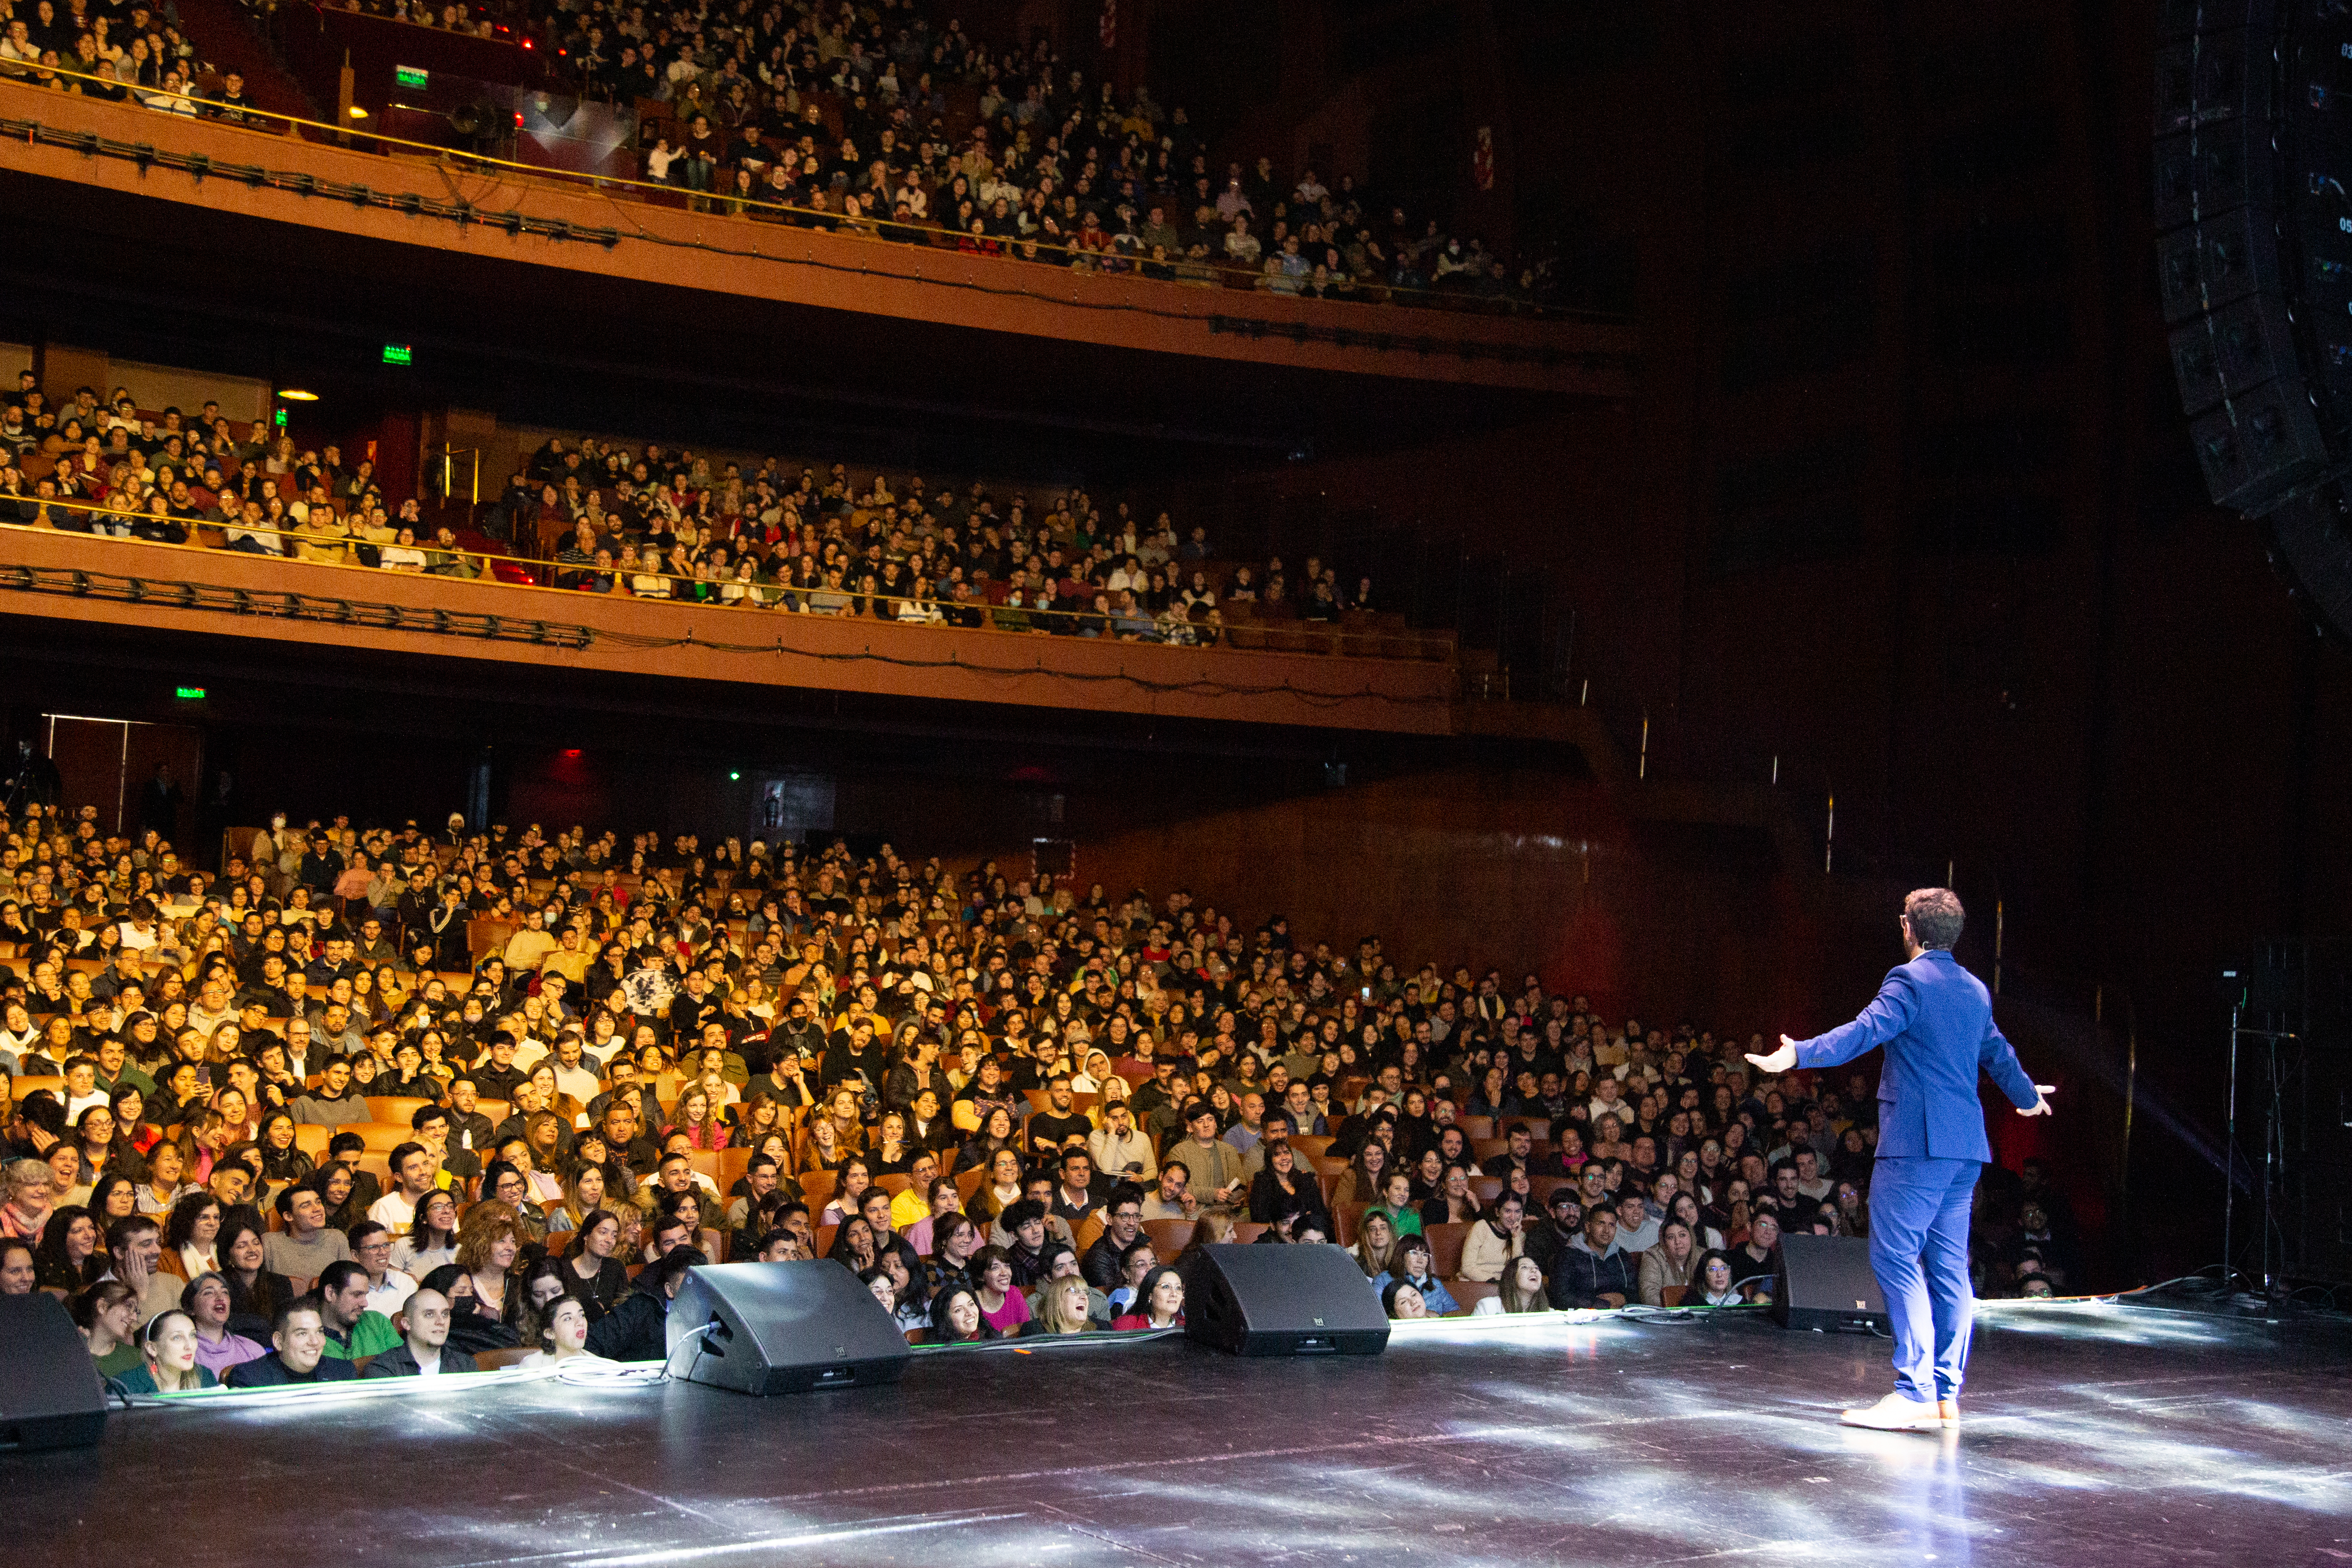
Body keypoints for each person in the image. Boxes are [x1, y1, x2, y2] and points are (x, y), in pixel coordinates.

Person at [1745, 886, 2052, 1431]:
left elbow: (1864, 1032)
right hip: (1963, 1151)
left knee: (1895, 1258)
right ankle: (1943, 1395)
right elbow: (1998, 1053)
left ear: (1909, 928)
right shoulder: (1975, 989)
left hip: (1917, 1145)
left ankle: (1914, 1391)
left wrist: (1800, 1052)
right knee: (1949, 1268)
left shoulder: (1909, 979)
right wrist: (2027, 1096)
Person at [586, 1245, 703, 1361]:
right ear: (670, 1290)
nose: (696, 1292)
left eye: (702, 1284)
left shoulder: (716, 1317)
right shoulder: (640, 1310)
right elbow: (592, 1343)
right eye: (687, 1286)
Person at [225, 1297, 360, 1386]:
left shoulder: (344, 1373)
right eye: (302, 1333)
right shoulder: (249, 1379)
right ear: (279, 1342)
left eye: (319, 1332)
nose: (315, 1342)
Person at [363, 1287, 478, 1377]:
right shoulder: (383, 1367)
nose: (441, 1321)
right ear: (406, 1324)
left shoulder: (466, 1364)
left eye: (445, 1314)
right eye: (429, 1314)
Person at [111, 1307, 219, 1395]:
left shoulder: (205, 1377)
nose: (189, 1346)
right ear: (152, 1349)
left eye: (193, 1335)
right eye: (177, 1337)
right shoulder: (126, 1385)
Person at [1110, 1265, 1186, 1330]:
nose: (1174, 1294)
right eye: (1166, 1287)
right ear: (1150, 1294)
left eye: (1178, 1288)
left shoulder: (1188, 1327)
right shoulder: (1127, 1325)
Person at [1474, 1255, 1550, 1315]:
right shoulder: (1489, 1307)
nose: (1534, 1270)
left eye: (1536, 1268)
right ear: (1512, 1277)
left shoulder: (1550, 1314)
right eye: (1524, 1267)